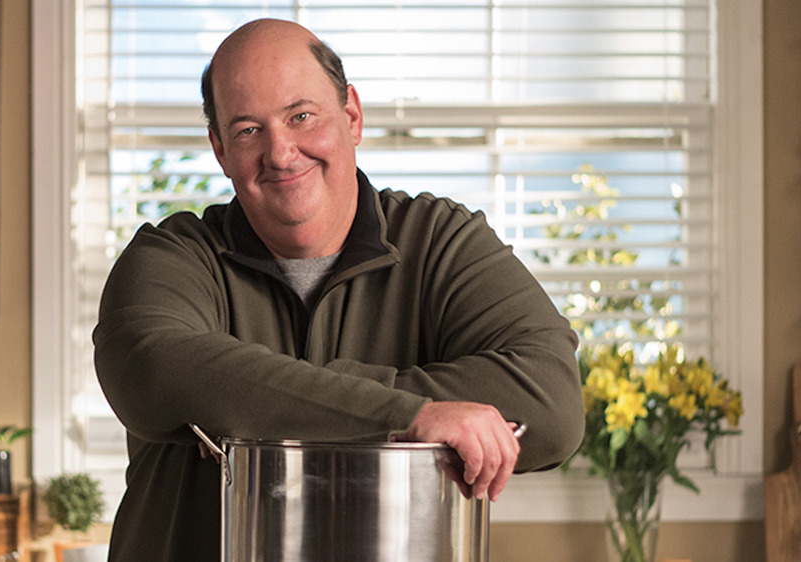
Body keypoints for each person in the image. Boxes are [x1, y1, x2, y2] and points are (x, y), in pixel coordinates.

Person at [93, 18, 584, 561]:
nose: (280, 153)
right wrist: (410, 417)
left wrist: (264, 395)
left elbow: (552, 404)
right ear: (220, 149)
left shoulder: (442, 241)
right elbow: (152, 369)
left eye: (301, 116)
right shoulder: (172, 256)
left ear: (351, 115)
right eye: (248, 130)